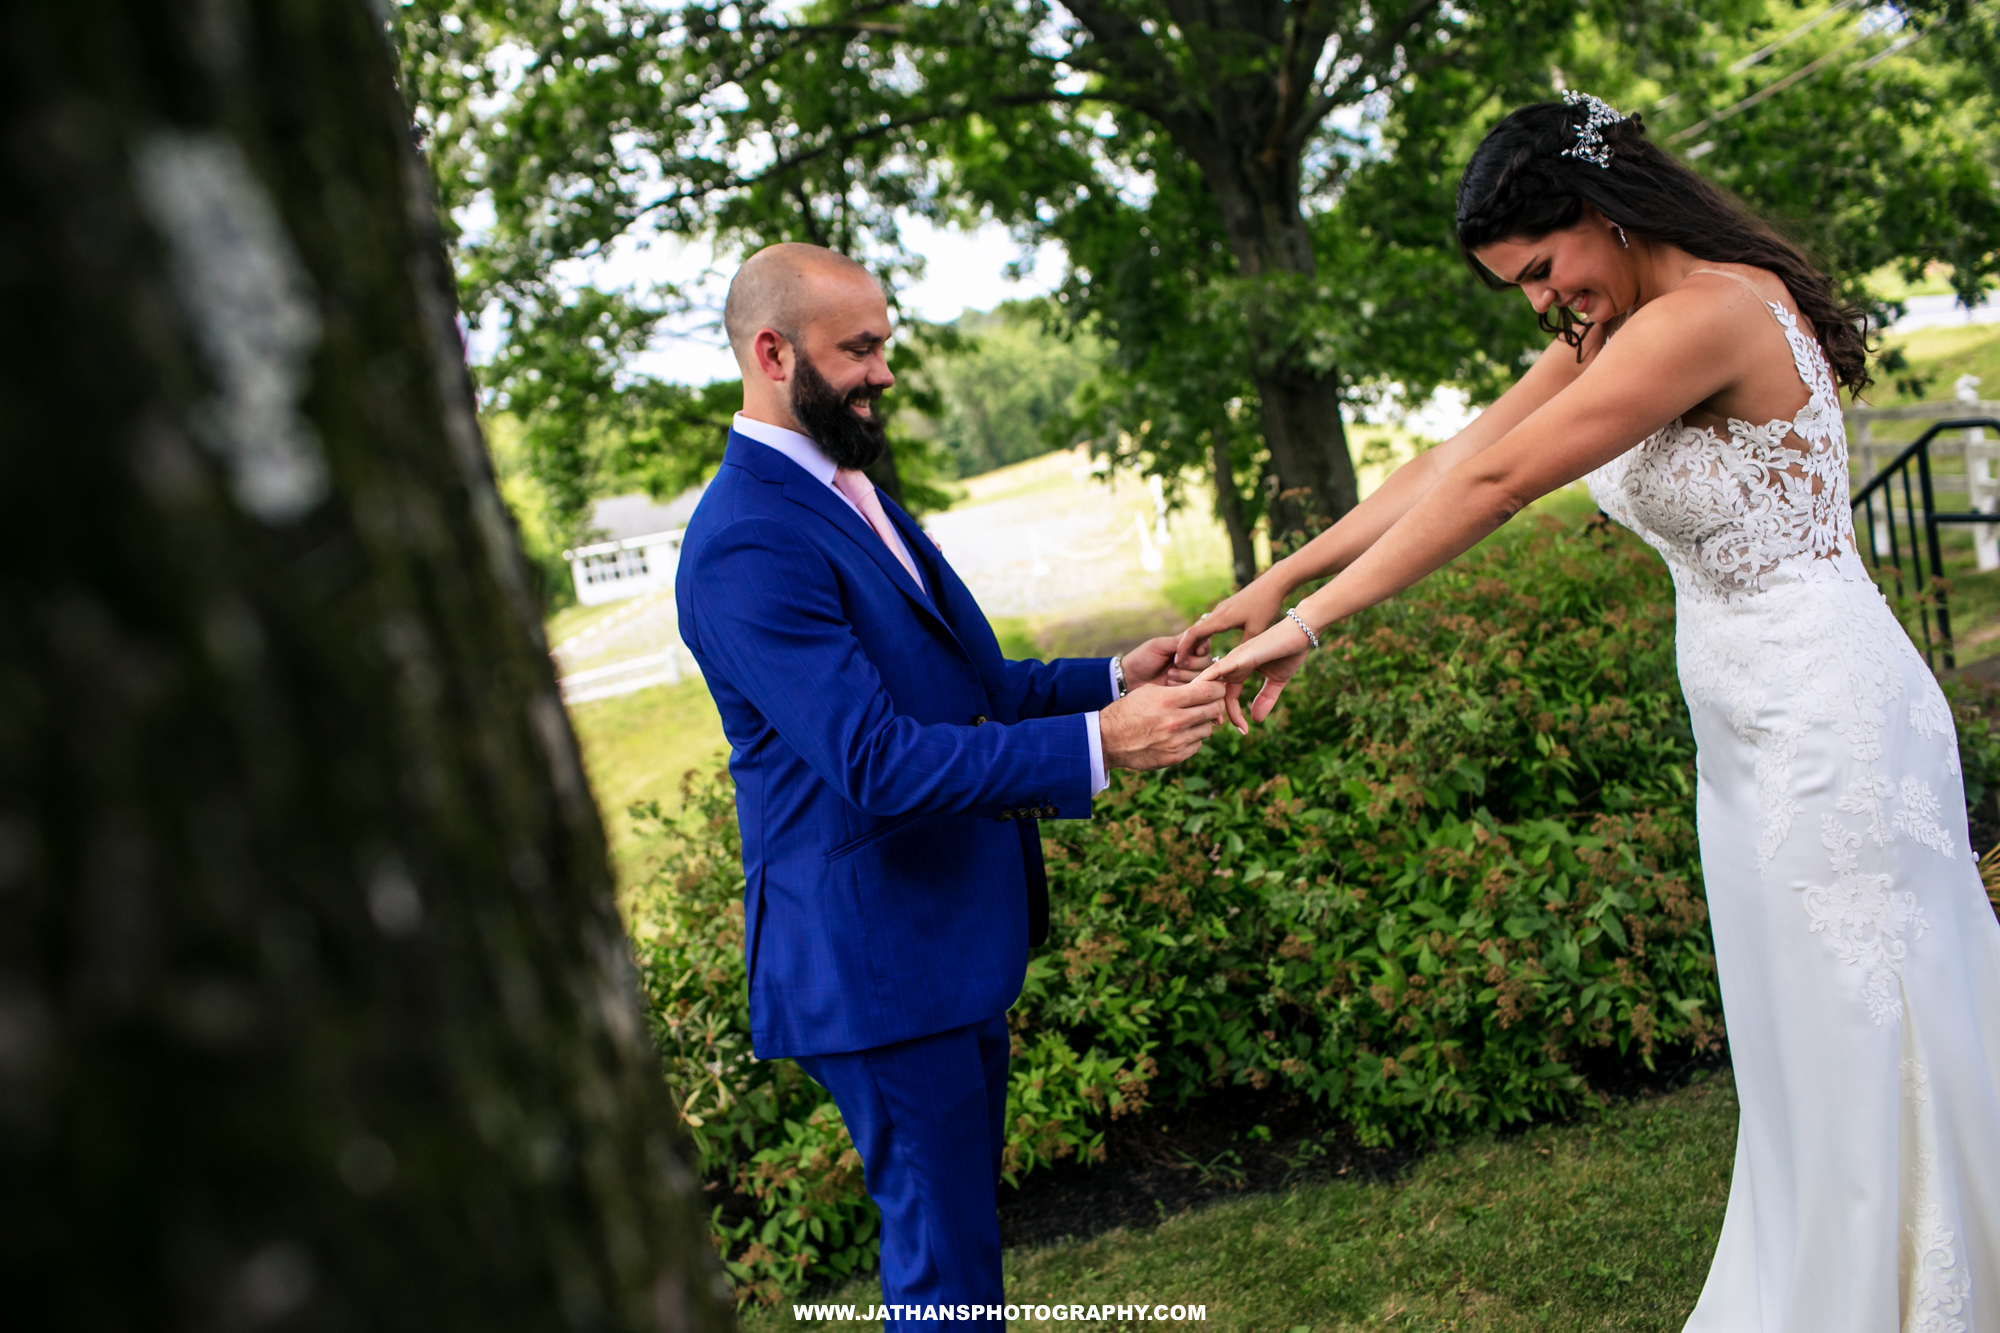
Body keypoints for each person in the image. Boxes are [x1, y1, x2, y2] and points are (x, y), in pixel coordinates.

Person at [1185, 95, 2000, 1329]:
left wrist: (1310, 632)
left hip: (1827, 727)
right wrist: (1279, 576)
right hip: (1743, 739)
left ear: (1602, 213)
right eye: (1514, 285)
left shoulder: (1707, 314)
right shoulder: (1610, 327)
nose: (1538, 302)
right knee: (1795, 1051)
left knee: (1863, 1025)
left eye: (1538, 268)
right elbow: (1456, 457)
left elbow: (1509, 484)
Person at [674, 243, 1226, 1329]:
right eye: (861, 349)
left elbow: (972, 686)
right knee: (944, 1269)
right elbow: (874, 758)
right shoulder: (745, 539)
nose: (884, 371)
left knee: (957, 1249)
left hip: (934, 942)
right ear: (772, 352)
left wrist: (1118, 673)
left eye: (885, 344)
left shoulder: (848, 487)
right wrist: (1100, 746)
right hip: (874, 960)